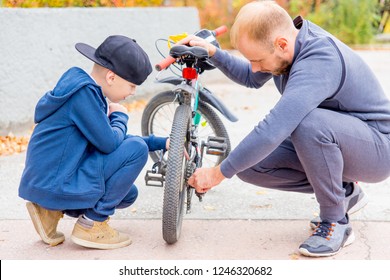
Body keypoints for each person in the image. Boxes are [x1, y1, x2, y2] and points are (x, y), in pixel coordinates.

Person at [185, 0, 390, 257]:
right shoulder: (288, 45)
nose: (256, 68)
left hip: (377, 148)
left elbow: (274, 129)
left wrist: (218, 173)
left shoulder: (318, 60)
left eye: (258, 60)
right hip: (340, 140)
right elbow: (250, 77)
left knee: (306, 123)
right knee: (248, 166)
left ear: (281, 44)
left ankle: (336, 220)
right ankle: (345, 193)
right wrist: (213, 53)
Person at [19, 35, 168, 250]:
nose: (132, 92)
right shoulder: (84, 95)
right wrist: (120, 117)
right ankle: (92, 225)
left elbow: (113, 144)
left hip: (48, 182)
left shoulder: (82, 92)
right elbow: (111, 144)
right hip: (56, 182)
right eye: (131, 85)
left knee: (127, 194)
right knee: (137, 149)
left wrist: (161, 142)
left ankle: (48, 211)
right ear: (111, 77)